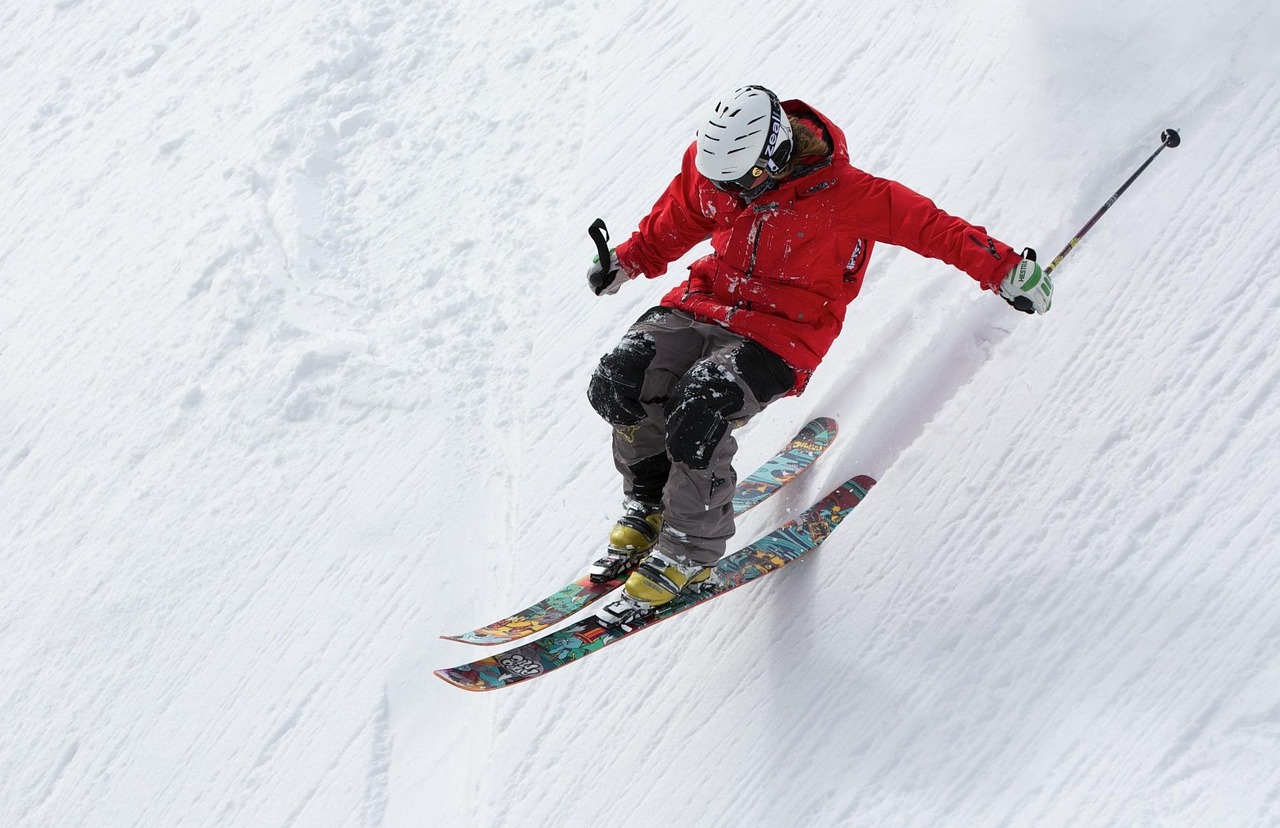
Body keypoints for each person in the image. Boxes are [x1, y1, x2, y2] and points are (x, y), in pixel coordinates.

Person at [584, 85, 1052, 616]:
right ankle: (650, 500)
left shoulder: (851, 195)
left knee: (698, 408)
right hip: (706, 302)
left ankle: (691, 548)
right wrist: (629, 258)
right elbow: (684, 213)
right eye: (722, 181)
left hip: (783, 333)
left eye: (742, 181)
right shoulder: (718, 168)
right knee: (619, 379)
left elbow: (934, 229)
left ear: (777, 151)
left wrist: (1005, 268)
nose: (731, 193)